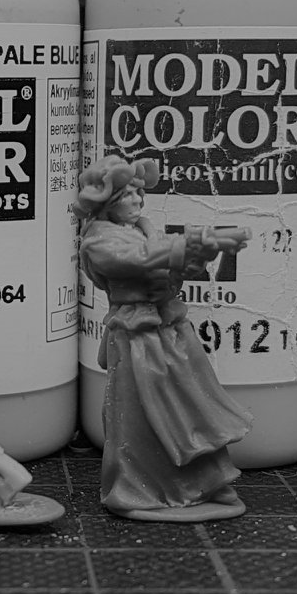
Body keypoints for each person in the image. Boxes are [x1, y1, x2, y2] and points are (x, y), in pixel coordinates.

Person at [74, 155, 253, 521]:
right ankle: (135, 488)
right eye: (126, 195)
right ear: (108, 203)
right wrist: (188, 244)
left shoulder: (145, 230)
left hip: (171, 330)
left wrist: (202, 252)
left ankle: (209, 481)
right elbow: (136, 260)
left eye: (138, 193)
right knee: (138, 417)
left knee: (193, 408)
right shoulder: (98, 241)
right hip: (135, 337)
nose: (136, 201)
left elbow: (169, 269)